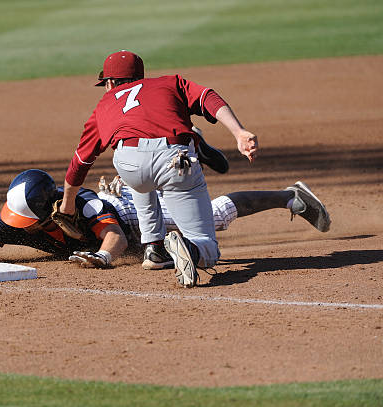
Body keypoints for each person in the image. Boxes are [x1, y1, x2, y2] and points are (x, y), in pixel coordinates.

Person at [0, 170, 331, 283]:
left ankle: (290, 197)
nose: (18, 227)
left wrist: (103, 256)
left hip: (132, 215)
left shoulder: (87, 203)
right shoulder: (18, 219)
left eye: (26, 219)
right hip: (118, 219)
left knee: (212, 217)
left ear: (55, 204)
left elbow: (112, 236)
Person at [57, 50, 259, 287]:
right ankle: (191, 250)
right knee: (208, 247)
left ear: (110, 82)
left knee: (140, 180)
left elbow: (80, 161)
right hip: (173, 158)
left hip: (129, 164)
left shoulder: (104, 104)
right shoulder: (170, 82)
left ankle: (154, 248)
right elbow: (208, 97)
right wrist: (239, 131)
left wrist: (67, 205)